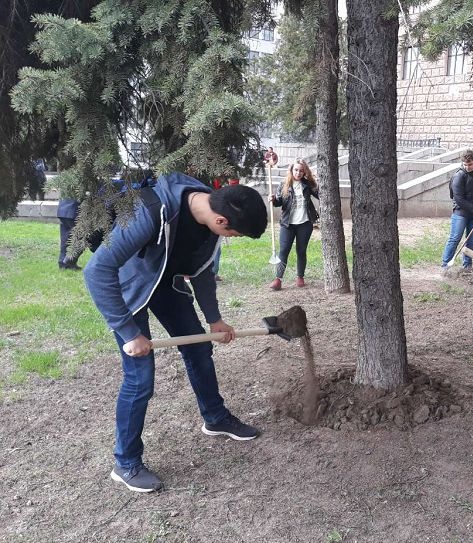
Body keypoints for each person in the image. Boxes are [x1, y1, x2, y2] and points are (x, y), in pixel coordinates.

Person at [83, 172, 267, 493]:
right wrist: (129, 332)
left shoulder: (210, 211)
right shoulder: (151, 211)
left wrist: (215, 320)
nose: (232, 238)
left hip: (165, 282)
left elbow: (202, 268)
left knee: (199, 348)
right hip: (130, 287)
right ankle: (126, 462)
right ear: (222, 221)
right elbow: (97, 270)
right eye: (235, 234)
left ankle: (215, 417)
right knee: (140, 378)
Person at [268, 158, 319, 290]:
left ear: (304, 172)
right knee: (284, 250)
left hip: (305, 223)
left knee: (301, 250)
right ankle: (278, 279)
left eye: (301, 171)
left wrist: (314, 181)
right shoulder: (284, 184)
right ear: (291, 170)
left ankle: (300, 276)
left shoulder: (307, 184)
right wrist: (273, 199)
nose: (298, 173)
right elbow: (279, 202)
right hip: (288, 224)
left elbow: (320, 195)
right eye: (296, 170)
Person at [440, 149, 473, 272]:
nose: (467, 167)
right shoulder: (459, 176)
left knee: (471, 241)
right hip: (461, 213)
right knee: (455, 238)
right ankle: (445, 266)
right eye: (465, 164)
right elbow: (458, 199)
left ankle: (467, 267)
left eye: (470, 164)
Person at [57, 196, 83, 270]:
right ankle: (69, 262)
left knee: (65, 237)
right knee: (82, 237)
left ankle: (62, 262)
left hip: (63, 210)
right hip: (75, 210)